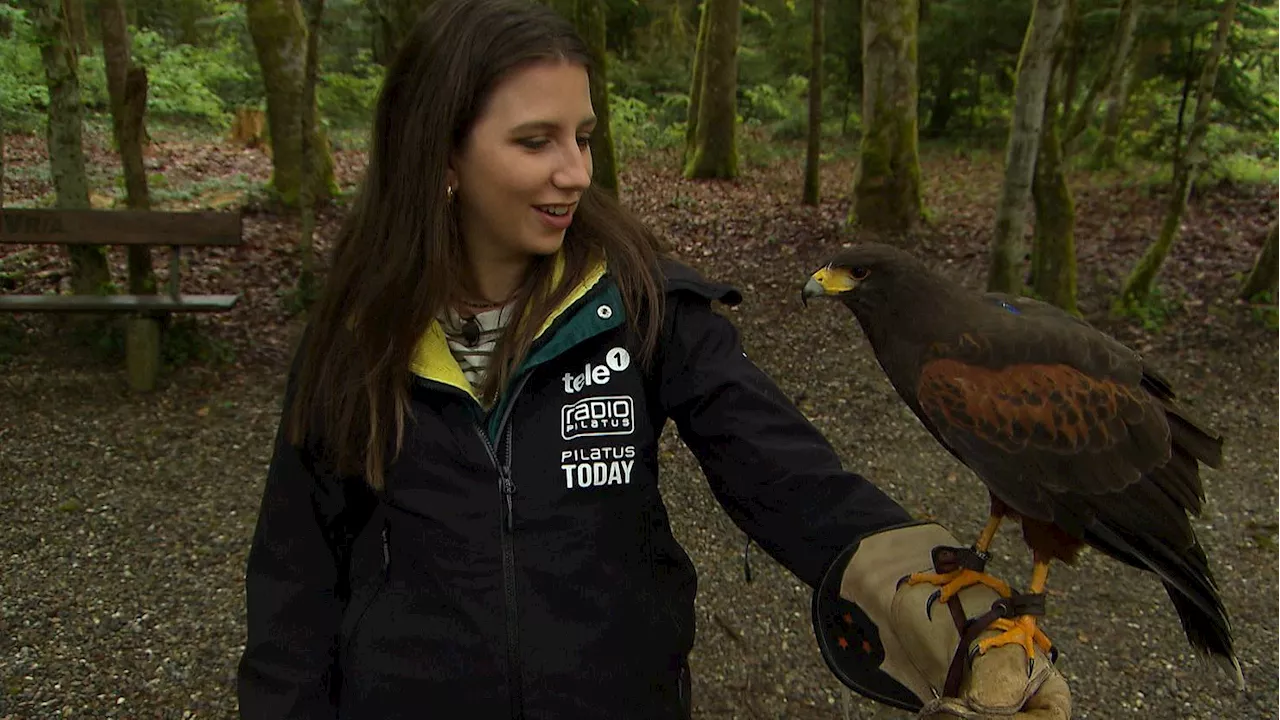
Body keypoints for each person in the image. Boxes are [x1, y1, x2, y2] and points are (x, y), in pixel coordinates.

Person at [236, 1, 1071, 718]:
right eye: (535, 141)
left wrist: (934, 599)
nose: (575, 172)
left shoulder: (642, 304)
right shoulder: (356, 335)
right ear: (443, 157)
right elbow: (294, 578)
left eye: (584, 136)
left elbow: (786, 474)